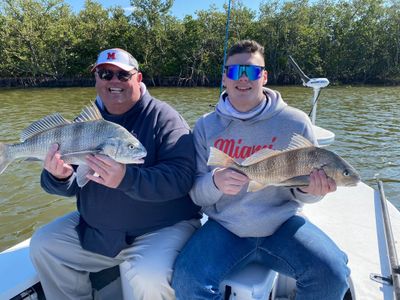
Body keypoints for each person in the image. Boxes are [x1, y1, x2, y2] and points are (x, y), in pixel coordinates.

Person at [172, 40, 350, 299]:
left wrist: (310, 190)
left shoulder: (295, 121)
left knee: (333, 273)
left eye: (252, 71)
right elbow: (197, 196)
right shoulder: (205, 127)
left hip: (283, 224)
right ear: (224, 77)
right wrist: (215, 183)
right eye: (234, 71)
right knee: (187, 281)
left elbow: (306, 196)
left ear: (264, 76)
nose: (243, 79)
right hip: (225, 226)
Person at [30, 48, 201, 300]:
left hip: (160, 229)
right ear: (96, 79)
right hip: (99, 233)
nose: (114, 81)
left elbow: (182, 177)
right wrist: (59, 177)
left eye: (123, 75)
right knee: (44, 245)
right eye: (105, 73)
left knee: (149, 276)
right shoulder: (85, 123)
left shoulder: (164, 118)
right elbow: (71, 186)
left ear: (138, 78)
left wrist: (127, 179)